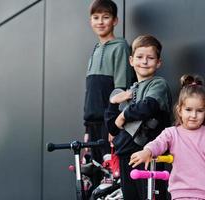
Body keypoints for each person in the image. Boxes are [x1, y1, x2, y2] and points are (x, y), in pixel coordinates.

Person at [129, 74, 205, 200]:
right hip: (179, 194)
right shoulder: (172, 133)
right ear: (179, 110)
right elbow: (159, 143)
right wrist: (148, 151)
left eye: (199, 111)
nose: (194, 115)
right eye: (188, 109)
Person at [105, 35, 172, 200]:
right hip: (126, 157)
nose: (144, 61)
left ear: (158, 62)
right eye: (140, 57)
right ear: (131, 60)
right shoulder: (130, 90)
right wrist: (113, 103)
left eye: (150, 58)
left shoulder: (158, 84)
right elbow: (112, 128)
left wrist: (123, 116)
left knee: (150, 196)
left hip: (147, 155)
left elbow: (148, 106)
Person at [83, 0, 133, 187]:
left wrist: (114, 123)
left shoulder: (120, 47)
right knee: (92, 176)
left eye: (106, 17)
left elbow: (121, 89)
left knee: (111, 178)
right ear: (91, 21)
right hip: (91, 122)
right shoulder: (95, 49)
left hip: (108, 123)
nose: (100, 22)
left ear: (115, 21)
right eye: (96, 17)